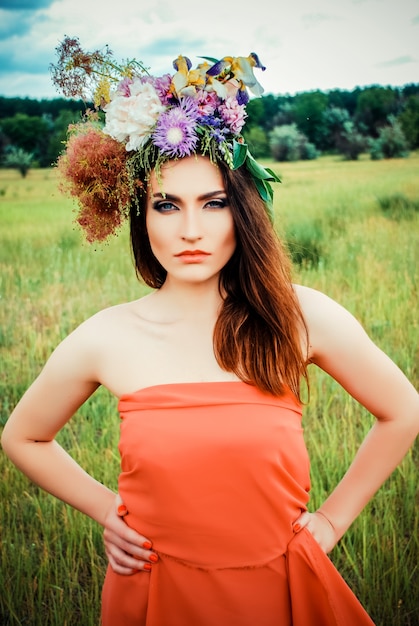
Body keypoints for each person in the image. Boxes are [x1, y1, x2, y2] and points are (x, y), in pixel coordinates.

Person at [1, 37, 418, 626]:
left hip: (281, 588)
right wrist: (107, 512)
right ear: (141, 219)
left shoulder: (296, 316)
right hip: (155, 593)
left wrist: (333, 520)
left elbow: (404, 410)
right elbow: (23, 437)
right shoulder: (107, 337)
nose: (190, 229)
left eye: (214, 202)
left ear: (242, 210)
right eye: (166, 205)